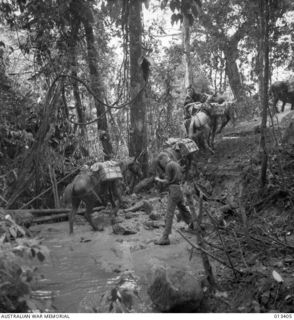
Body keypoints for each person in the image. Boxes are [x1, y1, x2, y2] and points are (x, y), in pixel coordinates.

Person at [154, 152, 192, 245]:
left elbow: (167, 181)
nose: (161, 164)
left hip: (174, 190)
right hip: (180, 189)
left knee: (169, 213)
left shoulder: (168, 166)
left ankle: (165, 237)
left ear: (163, 158)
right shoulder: (176, 164)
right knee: (183, 209)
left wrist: (159, 180)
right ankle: (194, 225)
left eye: (160, 162)